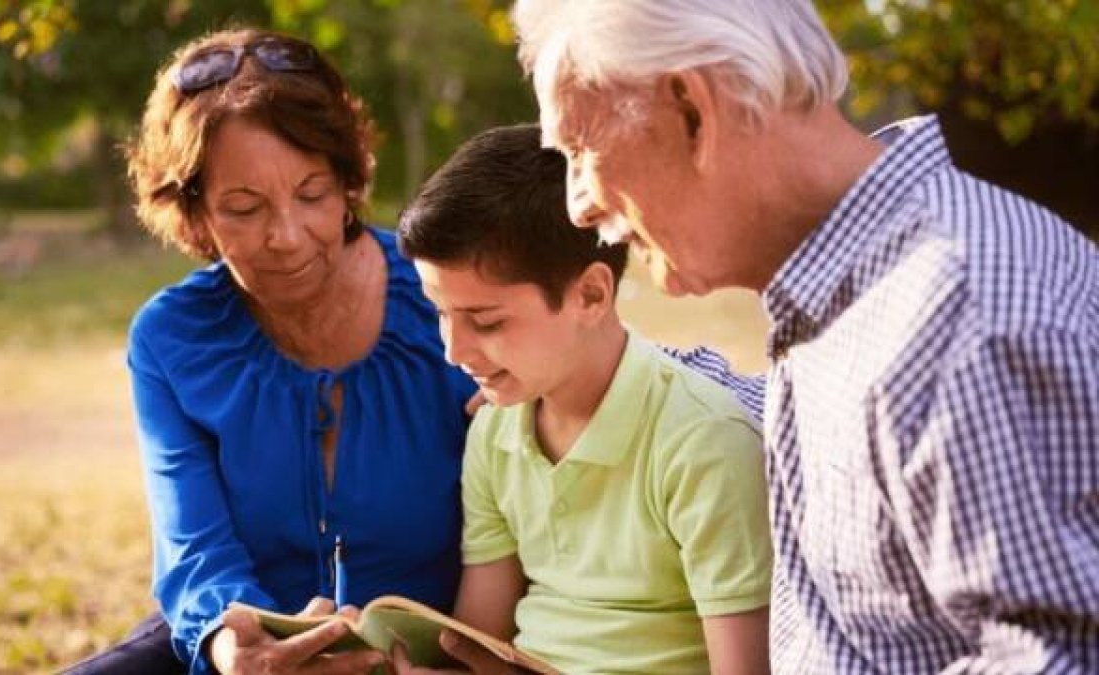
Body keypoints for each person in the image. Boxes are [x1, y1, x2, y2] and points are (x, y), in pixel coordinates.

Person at [513, 1, 1099, 673]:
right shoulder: (851, 299)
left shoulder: (956, 316)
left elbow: (1066, 656)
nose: (577, 203)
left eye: (581, 148)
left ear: (692, 110)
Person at [64, 28, 479, 675]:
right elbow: (196, 550)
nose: (286, 235)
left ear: (348, 181)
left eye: (312, 193)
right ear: (194, 213)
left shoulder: (450, 296)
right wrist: (236, 649)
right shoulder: (171, 338)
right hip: (237, 644)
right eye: (244, 206)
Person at [395, 124, 774, 675]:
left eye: (485, 320)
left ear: (592, 295)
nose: (454, 351)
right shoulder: (495, 432)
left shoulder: (704, 442)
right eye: (441, 314)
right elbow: (477, 643)